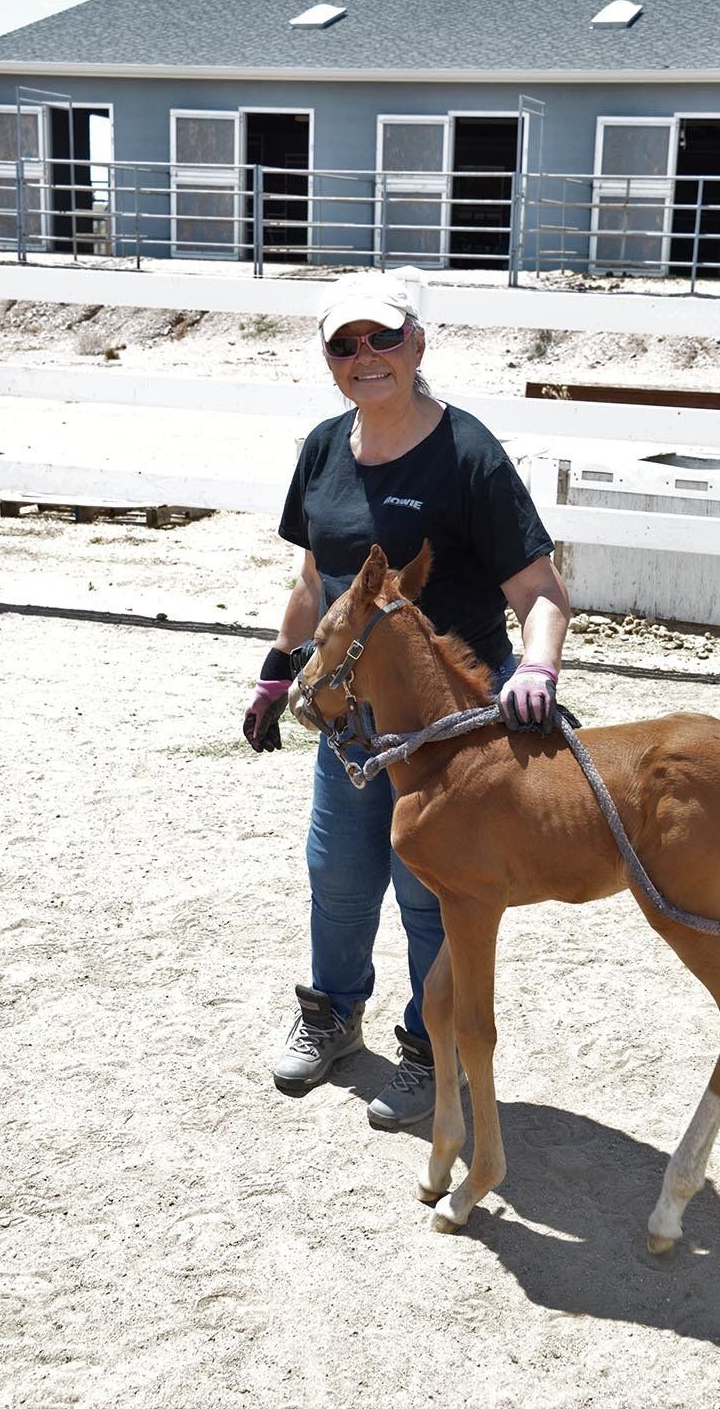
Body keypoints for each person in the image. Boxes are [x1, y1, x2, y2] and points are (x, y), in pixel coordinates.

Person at [243, 272, 570, 1130]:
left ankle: (433, 1053)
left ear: (418, 343)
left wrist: (536, 671)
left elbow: (538, 589)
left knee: (435, 892)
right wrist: (278, 669)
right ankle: (332, 1018)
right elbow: (317, 579)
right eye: (345, 345)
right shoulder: (322, 448)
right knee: (340, 876)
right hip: (354, 717)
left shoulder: (467, 453)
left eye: (382, 339)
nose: (365, 358)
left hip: (451, 728)